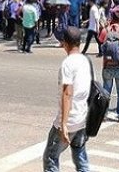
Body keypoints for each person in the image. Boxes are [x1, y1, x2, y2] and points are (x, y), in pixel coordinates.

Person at [42, 28, 91, 172]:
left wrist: (63, 124)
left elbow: (67, 94)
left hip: (69, 120)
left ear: (65, 43)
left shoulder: (68, 64)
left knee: (50, 157)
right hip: (81, 119)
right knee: (80, 156)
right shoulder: (84, 60)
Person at [98, 7, 119, 122]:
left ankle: (104, 115)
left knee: (106, 92)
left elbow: (100, 42)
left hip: (107, 65)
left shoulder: (105, 31)